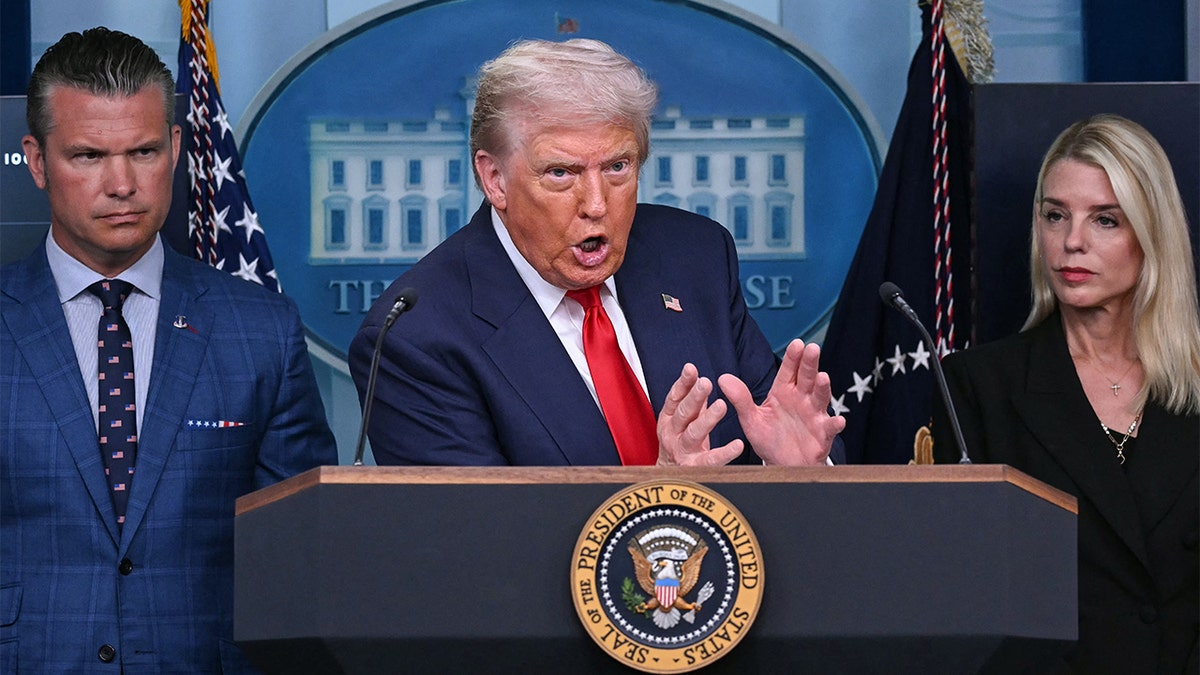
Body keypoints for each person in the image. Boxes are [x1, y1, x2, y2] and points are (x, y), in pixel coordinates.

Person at [0, 27, 337, 672]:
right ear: (37, 162)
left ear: (176, 149)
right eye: (88, 156)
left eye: (144, 151)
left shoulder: (260, 330)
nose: (122, 183)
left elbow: (303, 552)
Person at [350, 38, 845, 467]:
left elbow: (777, 428)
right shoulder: (416, 337)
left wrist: (799, 470)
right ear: (494, 179)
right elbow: (473, 535)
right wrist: (661, 491)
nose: (596, 205)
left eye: (617, 167)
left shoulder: (694, 256)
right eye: (560, 173)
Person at [933, 114, 1200, 673]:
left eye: (1105, 220)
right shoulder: (978, 386)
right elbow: (956, 590)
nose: (1072, 242)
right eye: (1056, 216)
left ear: (1152, 233)